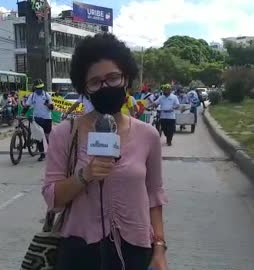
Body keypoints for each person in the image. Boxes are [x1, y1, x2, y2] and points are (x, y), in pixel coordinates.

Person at [43, 33, 168, 270]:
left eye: (113, 78)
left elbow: (154, 195)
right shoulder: (64, 134)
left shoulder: (148, 135)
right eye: (95, 82)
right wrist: (85, 175)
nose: (105, 87)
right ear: (85, 88)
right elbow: (53, 199)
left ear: (126, 78)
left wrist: (160, 247)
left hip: (136, 250)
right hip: (80, 251)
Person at [23, 79, 54, 162]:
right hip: (37, 119)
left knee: (48, 138)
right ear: (35, 88)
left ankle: (52, 153)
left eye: (41, 88)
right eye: (38, 88)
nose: (39, 90)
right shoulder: (32, 96)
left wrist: (48, 104)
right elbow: (27, 106)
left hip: (47, 119)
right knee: (39, 137)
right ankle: (42, 154)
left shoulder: (47, 96)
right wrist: (22, 113)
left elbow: (52, 108)